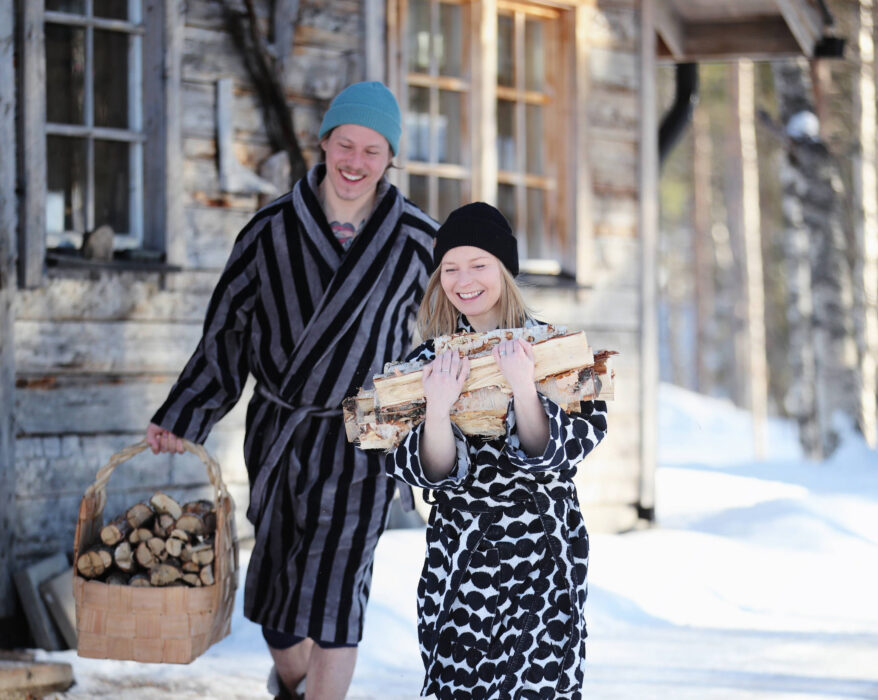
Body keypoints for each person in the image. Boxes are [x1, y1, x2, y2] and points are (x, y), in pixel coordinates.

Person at [145, 81, 437, 700]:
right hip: (281, 435)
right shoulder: (269, 229)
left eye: (372, 151)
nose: (355, 162)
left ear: (391, 160)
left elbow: (455, 326)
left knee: (337, 597)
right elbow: (225, 334)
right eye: (346, 144)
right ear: (325, 142)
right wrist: (184, 414)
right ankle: (294, 685)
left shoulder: (418, 241)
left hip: (365, 441)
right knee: (278, 608)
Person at [383, 202, 608, 699]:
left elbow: (562, 451)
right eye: (450, 268)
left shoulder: (556, 352)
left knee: (539, 687)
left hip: (543, 553)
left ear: (504, 270)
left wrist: (525, 389)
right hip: (463, 552)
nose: (464, 280)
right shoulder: (425, 363)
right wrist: (437, 408)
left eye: (479, 264)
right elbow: (430, 473)